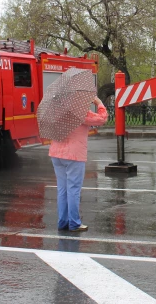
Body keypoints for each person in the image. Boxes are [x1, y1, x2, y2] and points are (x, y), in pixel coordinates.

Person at [49, 96, 107, 231]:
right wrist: (99, 103)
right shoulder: (80, 112)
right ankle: (74, 223)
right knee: (73, 190)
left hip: (56, 154)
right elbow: (102, 118)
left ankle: (62, 222)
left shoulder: (57, 111)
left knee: (62, 190)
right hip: (74, 155)